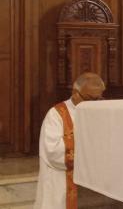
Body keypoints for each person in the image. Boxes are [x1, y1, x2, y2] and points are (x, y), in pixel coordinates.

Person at [34, 72, 105, 209]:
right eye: (90, 99)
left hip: (90, 182)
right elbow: (53, 152)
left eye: (98, 99)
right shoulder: (56, 115)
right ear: (75, 93)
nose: (94, 104)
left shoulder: (99, 111)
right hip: (61, 181)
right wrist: (88, 151)